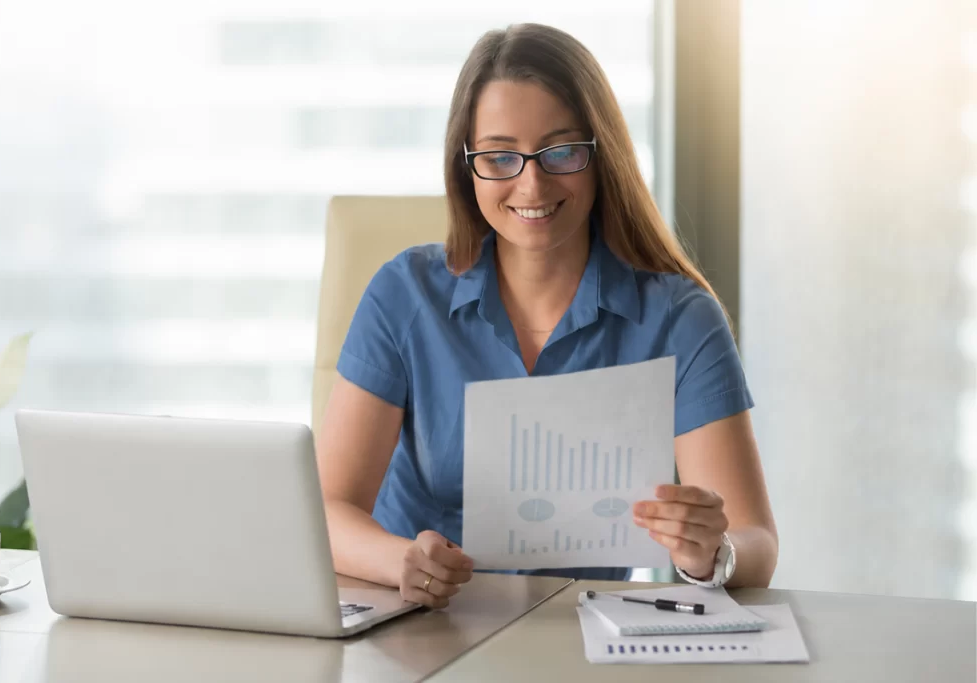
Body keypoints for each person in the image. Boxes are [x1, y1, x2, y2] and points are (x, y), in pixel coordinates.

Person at [316, 23, 778, 609]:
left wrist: (711, 553)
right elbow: (326, 510)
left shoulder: (679, 320)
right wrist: (398, 561)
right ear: (467, 165)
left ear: (599, 152)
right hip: (418, 624)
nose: (531, 183)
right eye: (500, 156)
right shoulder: (404, 296)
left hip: (578, 636)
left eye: (561, 151)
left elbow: (756, 541)